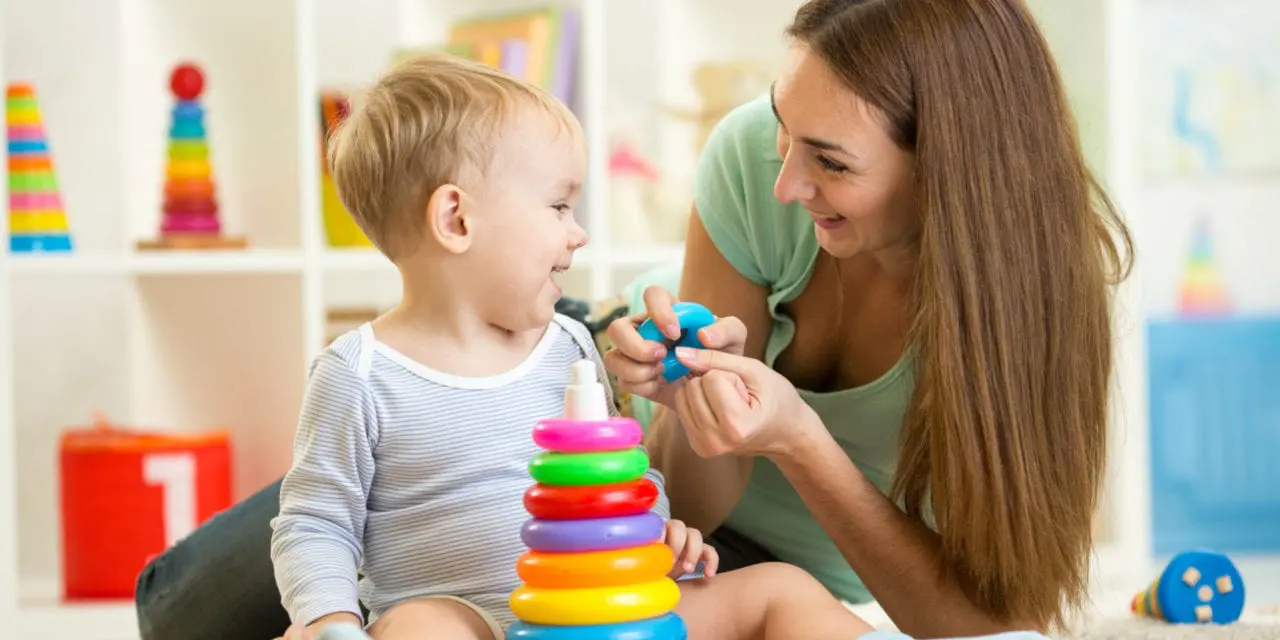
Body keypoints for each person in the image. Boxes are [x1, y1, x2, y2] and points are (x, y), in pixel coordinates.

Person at [260, 53, 874, 640]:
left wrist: (658, 537)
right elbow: (315, 522)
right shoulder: (360, 374)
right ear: (456, 220)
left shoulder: (568, 345)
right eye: (558, 205)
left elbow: (616, 476)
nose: (578, 233)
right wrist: (328, 619)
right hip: (477, 618)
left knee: (781, 590)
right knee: (424, 626)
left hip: (605, 615)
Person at [602, 0, 1133, 638]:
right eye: (782, 123)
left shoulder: (1037, 304)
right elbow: (679, 515)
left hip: (792, 582)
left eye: (831, 162)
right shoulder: (751, 161)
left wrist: (798, 440)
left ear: (945, 172)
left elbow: (1000, 623)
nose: (787, 184)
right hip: (623, 464)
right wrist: (693, 401)